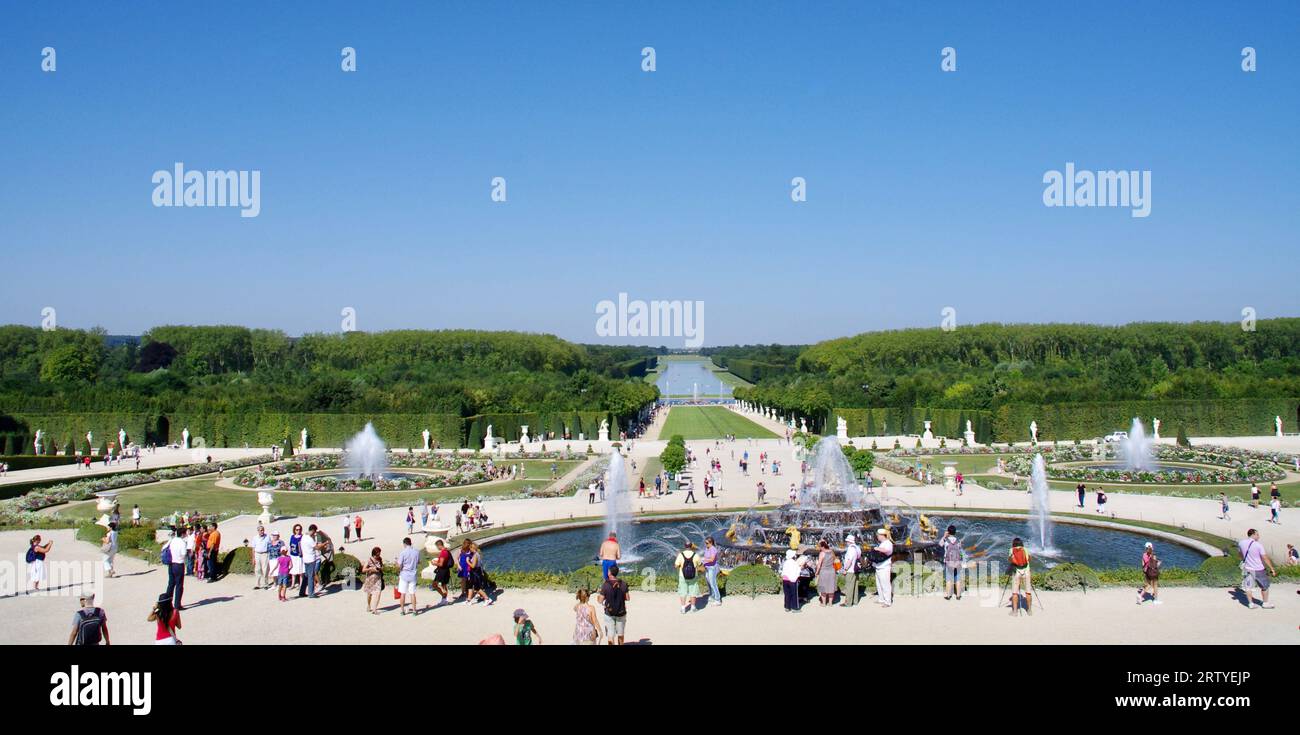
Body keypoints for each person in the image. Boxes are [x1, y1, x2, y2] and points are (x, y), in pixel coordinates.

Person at [1237, 528, 1277, 609]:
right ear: (1253, 535)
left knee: (1248, 587)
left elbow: (1240, 554)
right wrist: (1272, 568)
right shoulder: (1258, 545)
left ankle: (1251, 604)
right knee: (1264, 586)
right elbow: (1265, 558)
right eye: (1257, 534)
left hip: (1247, 568)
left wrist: (1245, 560)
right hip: (1258, 569)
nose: (1259, 536)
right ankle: (1265, 603)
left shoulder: (1241, 543)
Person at [597, 565, 630, 645]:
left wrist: (599, 594)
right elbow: (627, 598)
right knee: (620, 634)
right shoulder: (623, 583)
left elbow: (600, 600)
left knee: (610, 635)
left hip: (609, 612)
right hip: (621, 612)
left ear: (609, 573)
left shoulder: (605, 584)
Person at [162, 527, 187, 609]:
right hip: (179, 564)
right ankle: (177, 604)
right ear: (183, 534)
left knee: (171, 584)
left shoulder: (173, 540)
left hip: (171, 564)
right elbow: (183, 554)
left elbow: (164, 547)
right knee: (179, 585)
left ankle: (167, 603)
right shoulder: (182, 542)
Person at [1007, 537, 1033, 616]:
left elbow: (1010, 560)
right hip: (1026, 571)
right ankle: (1029, 610)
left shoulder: (1011, 550)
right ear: (1021, 543)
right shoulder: (1025, 549)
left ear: (1013, 544)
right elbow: (1029, 559)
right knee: (1028, 592)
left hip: (1016, 572)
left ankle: (1015, 611)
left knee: (1015, 593)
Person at [675, 541, 701, 613]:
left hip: (682, 576)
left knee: (683, 592)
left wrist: (681, 565)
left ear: (685, 546)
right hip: (694, 576)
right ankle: (693, 608)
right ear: (691, 546)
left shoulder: (681, 555)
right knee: (693, 592)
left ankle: (683, 608)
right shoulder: (696, 555)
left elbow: (676, 565)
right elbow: (700, 564)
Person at [939, 525, 964, 600]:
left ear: (948, 532)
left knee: (948, 579)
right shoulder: (958, 540)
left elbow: (940, 544)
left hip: (948, 562)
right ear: (955, 532)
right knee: (957, 578)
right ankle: (958, 596)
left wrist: (944, 536)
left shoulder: (946, 540)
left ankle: (948, 595)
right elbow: (960, 550)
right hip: (957, 562)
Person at [396, 537, 420, 615]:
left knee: (403, 593)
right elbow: (418, 562)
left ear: (404, 544)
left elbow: (399, 565)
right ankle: (414, 610)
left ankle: (402, 610)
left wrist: (397, 563)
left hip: (404, 574)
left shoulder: (403, 552)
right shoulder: (416, 552)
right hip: (413, 574)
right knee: (412, 593)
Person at [838, 534, 862, 607]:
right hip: (856, 569)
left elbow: (849, 560)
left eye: (847, 541)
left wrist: (845, 569)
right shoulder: (857, 547)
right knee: (855, 585)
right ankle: (855, 601)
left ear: (849, 541)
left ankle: (848, 603)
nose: (846, 543)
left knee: (849, 586)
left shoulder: (851, 548)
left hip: (850, 570)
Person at [872, 528, 894, 607]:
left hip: (884, 567)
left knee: (885, 585)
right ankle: (881, 599)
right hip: (879, 566)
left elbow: (888, 550)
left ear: (882, 536)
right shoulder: (882, 543)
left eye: (878, 535)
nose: (877, 537)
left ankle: (887, 601)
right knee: (879, 584)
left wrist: (878, 549)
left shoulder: (888, 543)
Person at [814, 539, 837, 606]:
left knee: (822, 587)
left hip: (824, 571)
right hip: (832, 571)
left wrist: (817, 572)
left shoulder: (822, 553)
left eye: (820, 547)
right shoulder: (832, 552)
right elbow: (835, 560)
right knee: (831, 586)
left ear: (822, 547)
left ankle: (824, 603)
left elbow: (819, 565)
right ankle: (830, 603)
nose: (819, 548)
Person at [299, 523, 319, 598]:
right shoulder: (310, 539)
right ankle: (311, 593)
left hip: (305, 559)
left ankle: (302, 592)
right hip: (311, 559)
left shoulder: (304, 536)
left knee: (306, 576)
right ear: (313, 530)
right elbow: (316, 547)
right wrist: (324, 544)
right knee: (311, 576)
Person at [362, 547, 384, 614]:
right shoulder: (369, 560)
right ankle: (369, 605)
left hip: (378, 578)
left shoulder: (380, 559)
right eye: (377, 555)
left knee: (378, 593)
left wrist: (380, 568)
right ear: (374, 554)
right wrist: (371, 569)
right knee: (369, 594)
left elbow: (382, 567)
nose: (378, 556)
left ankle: (375, 609)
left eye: (379, 554)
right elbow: (363, 570)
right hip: (370, 579)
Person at [701, 536, 722, 606]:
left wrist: (703, 559)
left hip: (712, 568)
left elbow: (712, 559)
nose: (705, 544)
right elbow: (706, 557)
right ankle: (712, 595)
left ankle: (718, 600)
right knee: (708, 582)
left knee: (713, 584)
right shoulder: (707, 548)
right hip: (707, 568)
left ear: (711, 543)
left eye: (707, 543)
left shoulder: (713, 549)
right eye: (705, 543)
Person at [252, 525, 271, 590]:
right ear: (258, 531)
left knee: (265, 570)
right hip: (257, 554)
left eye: (262, 530)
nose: (261, 531)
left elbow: (270, 546)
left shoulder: (267, 537)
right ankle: (257, 584)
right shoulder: (255, 538)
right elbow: (253, 548)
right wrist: (253, 558)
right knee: (257, 570)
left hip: (265, 554)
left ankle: (266, 584)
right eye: (260, 530)